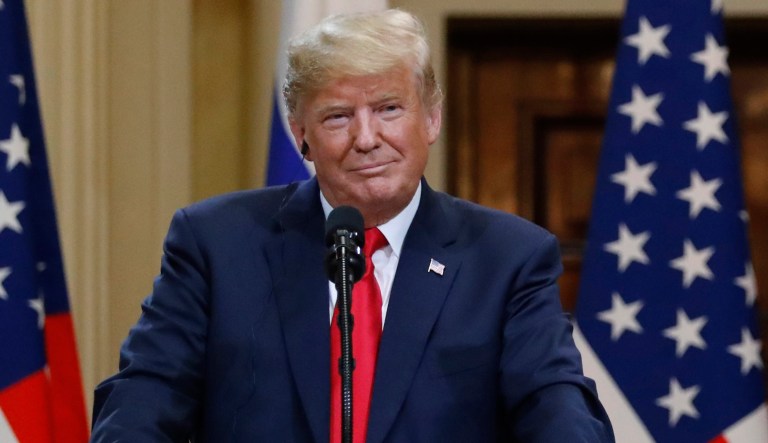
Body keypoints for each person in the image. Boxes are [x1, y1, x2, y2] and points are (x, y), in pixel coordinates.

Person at [91, 9, 614, 442]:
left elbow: (554, 403)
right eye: (338, 117)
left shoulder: (507, 258)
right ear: (300, 134)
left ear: (430, 118)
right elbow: (145, 397)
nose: (366, 138)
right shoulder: (216, 244)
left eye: (388, 108)